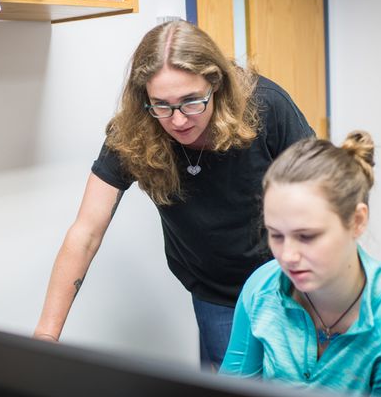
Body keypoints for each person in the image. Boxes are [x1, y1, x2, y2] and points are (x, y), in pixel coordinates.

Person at [34, 20, 314, 370]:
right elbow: (86, 231)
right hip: (216, 295)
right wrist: (46, 335)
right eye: (161, 105)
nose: (178, 120)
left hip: (291, 284)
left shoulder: (266, 106)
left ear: (216, 85)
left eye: (191, 102)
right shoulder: (134, 133)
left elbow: (323, 193)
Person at [219, 131, 381, 395]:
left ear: (357, 221)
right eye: (276, 235)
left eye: (307, 236)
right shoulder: (261, 289)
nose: (287, 256)